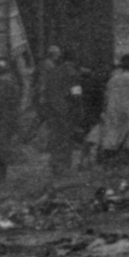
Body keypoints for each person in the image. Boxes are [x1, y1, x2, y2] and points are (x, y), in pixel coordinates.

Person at [37, 47, 82, 176]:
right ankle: (63, 166)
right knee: (66, 138)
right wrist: (79, 109)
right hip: (65, 109)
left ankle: (55, 164)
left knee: (55, 137)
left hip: (52, 109)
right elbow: (76, 93)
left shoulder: (55, 71)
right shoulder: (72, 73)